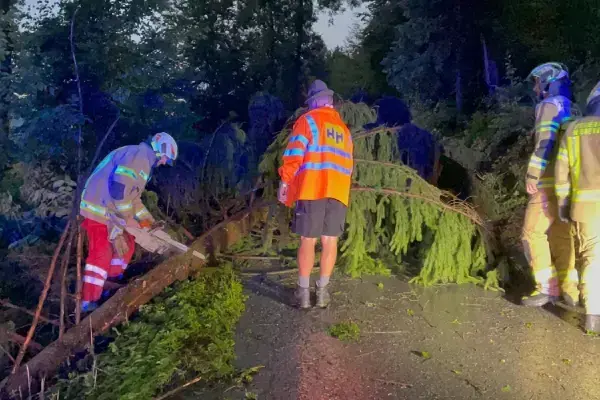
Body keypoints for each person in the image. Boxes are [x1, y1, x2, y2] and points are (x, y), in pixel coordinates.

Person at [79, 132, 178, 312]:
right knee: (102, 253)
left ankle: (111, 284)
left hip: (113, 212)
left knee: (127, 247)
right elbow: (118, 190)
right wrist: (128, 219)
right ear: (159, 149)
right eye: (165, 158)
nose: (164, 162)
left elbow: (134, 199)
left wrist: (148, 220)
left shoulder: (144, 165)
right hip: (99, 210)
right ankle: (88, 302)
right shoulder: (139, 155)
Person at [277, 80, 353, 309]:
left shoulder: (308, 121)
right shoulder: (344, 130)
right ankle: (322, 293)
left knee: (307, 240)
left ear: (316, 102)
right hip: (338, 191)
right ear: (330, 102)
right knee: (330, 241)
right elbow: (348, 165)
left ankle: (303, 294)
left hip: (312, 188)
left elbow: (294, 155)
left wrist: (285, 182)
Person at [521, 62, 577, 307]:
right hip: (568, 182)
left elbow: (545, 143)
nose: (536, 90)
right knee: (561, 234)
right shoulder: (573, 108)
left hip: (547, 181)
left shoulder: (547, 106)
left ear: (548, 82)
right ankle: (570, 290)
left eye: (538, 83)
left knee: (532, 232)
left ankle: (546, 288)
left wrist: (532, 175)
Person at [555, 81, 600, 332]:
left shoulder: (573, 130)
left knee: (592, 257)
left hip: (585, 207)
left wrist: (563, 205)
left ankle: (593, 316)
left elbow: (562, 173)